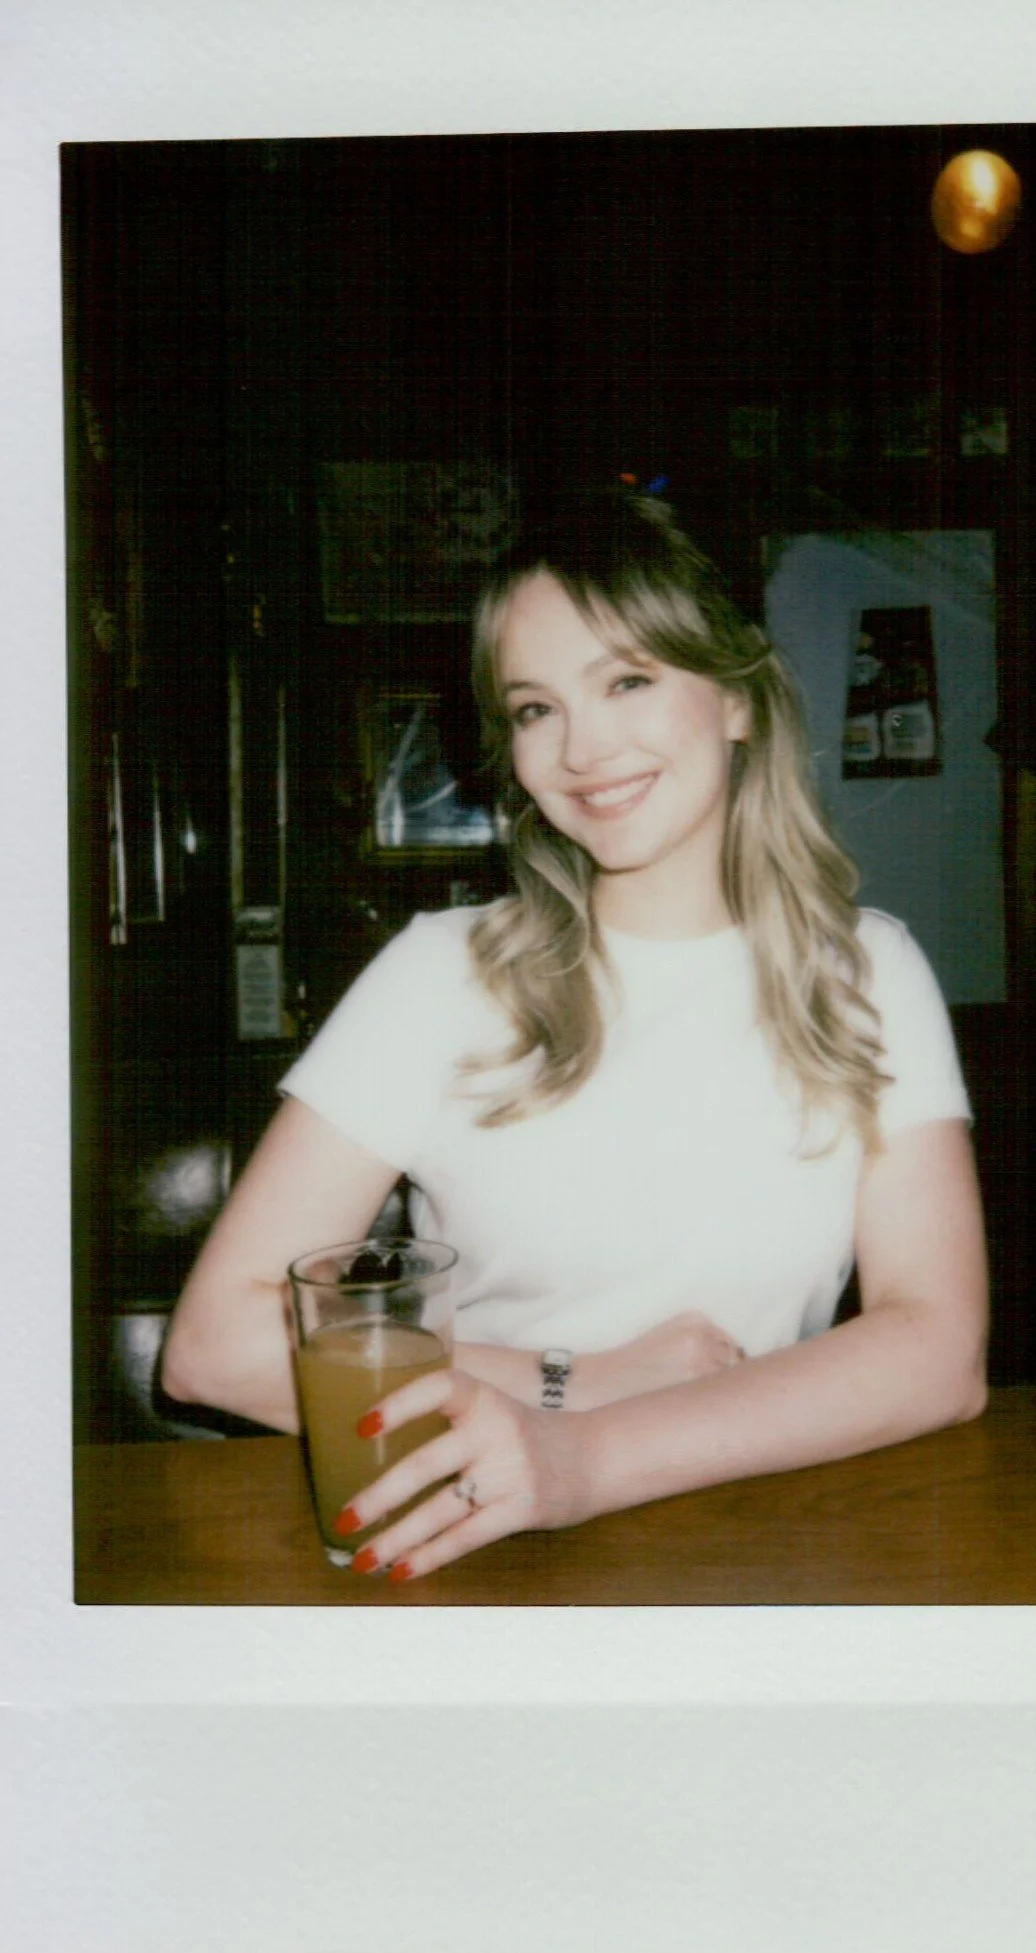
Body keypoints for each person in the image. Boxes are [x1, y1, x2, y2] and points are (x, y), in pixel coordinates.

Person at [163, 490, 987, 1582]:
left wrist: (583, 1458)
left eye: (629, 680)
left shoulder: (868, 969)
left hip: (772, 1539)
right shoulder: (439, 974)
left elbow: (937, 1352)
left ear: (738, 699)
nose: (581, 748)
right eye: (534, 708)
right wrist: (567, 1383)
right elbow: (214, 1348)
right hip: (479, 1544)